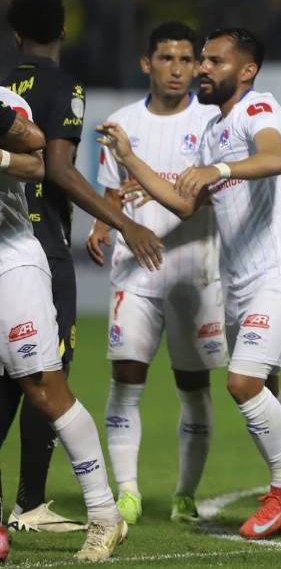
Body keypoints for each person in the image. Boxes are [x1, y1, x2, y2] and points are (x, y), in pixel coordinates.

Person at [96, 27, 281, 540]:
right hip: (241, 281)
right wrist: (130, 159)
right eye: (202, 60)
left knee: (241, 384)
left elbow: (273, 159)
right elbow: (182, 202)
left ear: (246, 71)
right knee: (263, 387)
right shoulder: (212, 132)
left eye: (214, 61)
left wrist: (215, 167)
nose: (201, 68)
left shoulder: (259, 109)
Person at [0, 0, 164, 533]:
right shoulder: (62, 85)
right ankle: (31, 504)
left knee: (13, 377)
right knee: (48, 376)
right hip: (36, 248)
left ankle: (24, 507)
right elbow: (60, 168)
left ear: (16, 34)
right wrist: (123, 221)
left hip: (13, 244)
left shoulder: (5, 85)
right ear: (63, 33)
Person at [86, 22, 225, 525]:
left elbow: (201, 198)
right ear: (147, 63)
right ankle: (127, 492)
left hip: (194, 274)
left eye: (187, 60)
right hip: (135, 273)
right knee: (126, 377)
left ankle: (185, 493)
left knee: (193, 386)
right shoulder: (121, 122)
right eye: (167, 58)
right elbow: (110, 191)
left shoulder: (212, 122)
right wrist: (104, 226)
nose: (178, 69)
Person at [0, 88, 128, 561]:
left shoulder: (4, 102)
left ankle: (104, 514)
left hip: (10, 261)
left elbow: (36, 161)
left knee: (43, 389)